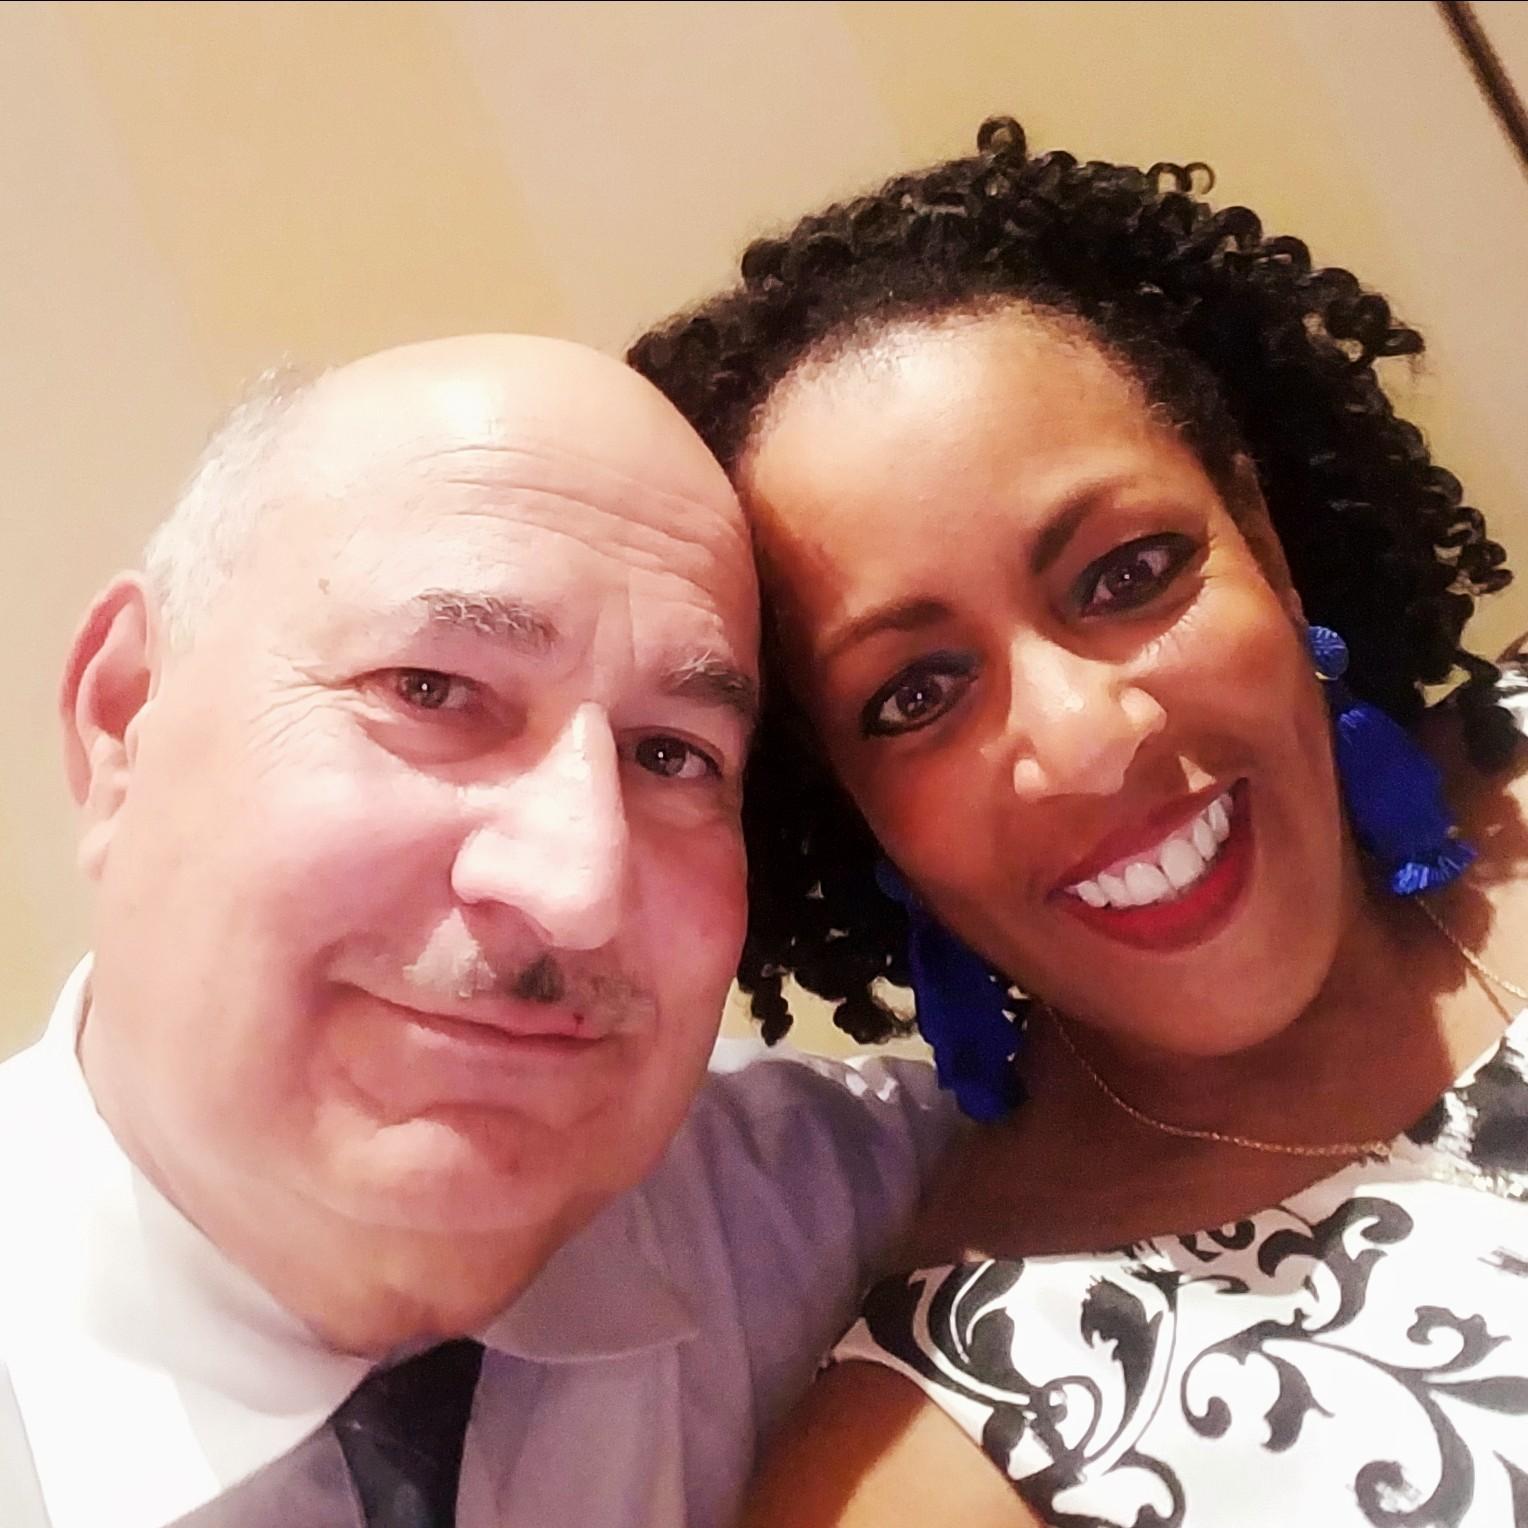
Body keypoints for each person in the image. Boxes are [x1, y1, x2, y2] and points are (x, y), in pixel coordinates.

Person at [631, 118, 1528, 1525]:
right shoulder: (950, 1460)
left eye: (1127, 572)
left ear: (1264, 544)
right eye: (916, 693)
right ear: (844, 803)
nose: (1087, 741)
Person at [0, 334, 954, 1528]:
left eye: (672, 754)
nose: (576, 885)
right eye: (432, 690)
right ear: (121, 715)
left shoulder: (887, 1213)